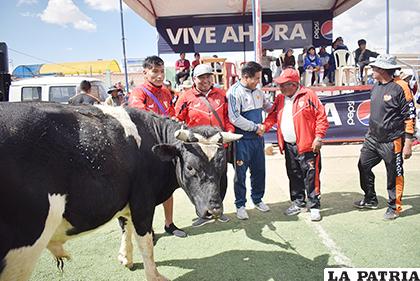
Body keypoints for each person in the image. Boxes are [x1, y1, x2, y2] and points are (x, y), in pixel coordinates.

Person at [128, 56, 186, 237]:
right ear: (145, 72)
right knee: (147, 191)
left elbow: (170, 114)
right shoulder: (139, 92)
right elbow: (140, 116)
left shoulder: (167, 93)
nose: (159, 76)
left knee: (167, 187)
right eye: (154, 71)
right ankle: (148, 228)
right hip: (146, 150)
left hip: (165, 147)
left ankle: (169, 224)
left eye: (161, 71)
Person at [354, 54, 416, 220]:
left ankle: (394, 206)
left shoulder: (401, 87)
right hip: (372, 138)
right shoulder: (376, 86)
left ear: (383, 69)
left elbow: (410, 116)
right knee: (363, 165)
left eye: (375, 67)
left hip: (393, 140)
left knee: (394, 174)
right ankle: (370, 198)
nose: (372, 69)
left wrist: (408, 142)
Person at [263, 68, 329, 221]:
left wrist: (318, 137)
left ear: (293, 84)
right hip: (288, 145)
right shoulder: (280, 98)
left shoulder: (309, 95)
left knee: (311, 175)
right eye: (279, 84)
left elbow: (321, 117)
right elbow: (272, 116)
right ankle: (298, 202)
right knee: (293, 174)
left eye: (283, 84)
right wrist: (263, 127)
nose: (280, 87)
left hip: (307, 145)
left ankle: (314, 205)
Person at [175, 64, 235, 226]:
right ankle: (202, 212)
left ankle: (218, 209)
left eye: (208, 77)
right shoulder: (186, 97)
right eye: (201, 77)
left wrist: (227, 133)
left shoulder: (222, 95)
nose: (206, 80)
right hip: (198, 150)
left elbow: (228, 118)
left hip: (217, 147)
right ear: (194, 79)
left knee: (221, 178)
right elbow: (177, 120)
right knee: (200, 180)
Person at [227, 61, 272, 220]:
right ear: (246, 77)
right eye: (257, 78)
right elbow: (234, 117)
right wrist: (254, 127)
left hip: (258, 140)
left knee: (259, 171)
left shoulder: (258, 91)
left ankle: (257, 199)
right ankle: (240, 205)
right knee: (240, 174)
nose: (259, 81)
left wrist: (280, 104)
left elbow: (268, 107)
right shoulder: (233, 92)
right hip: (242, 141)